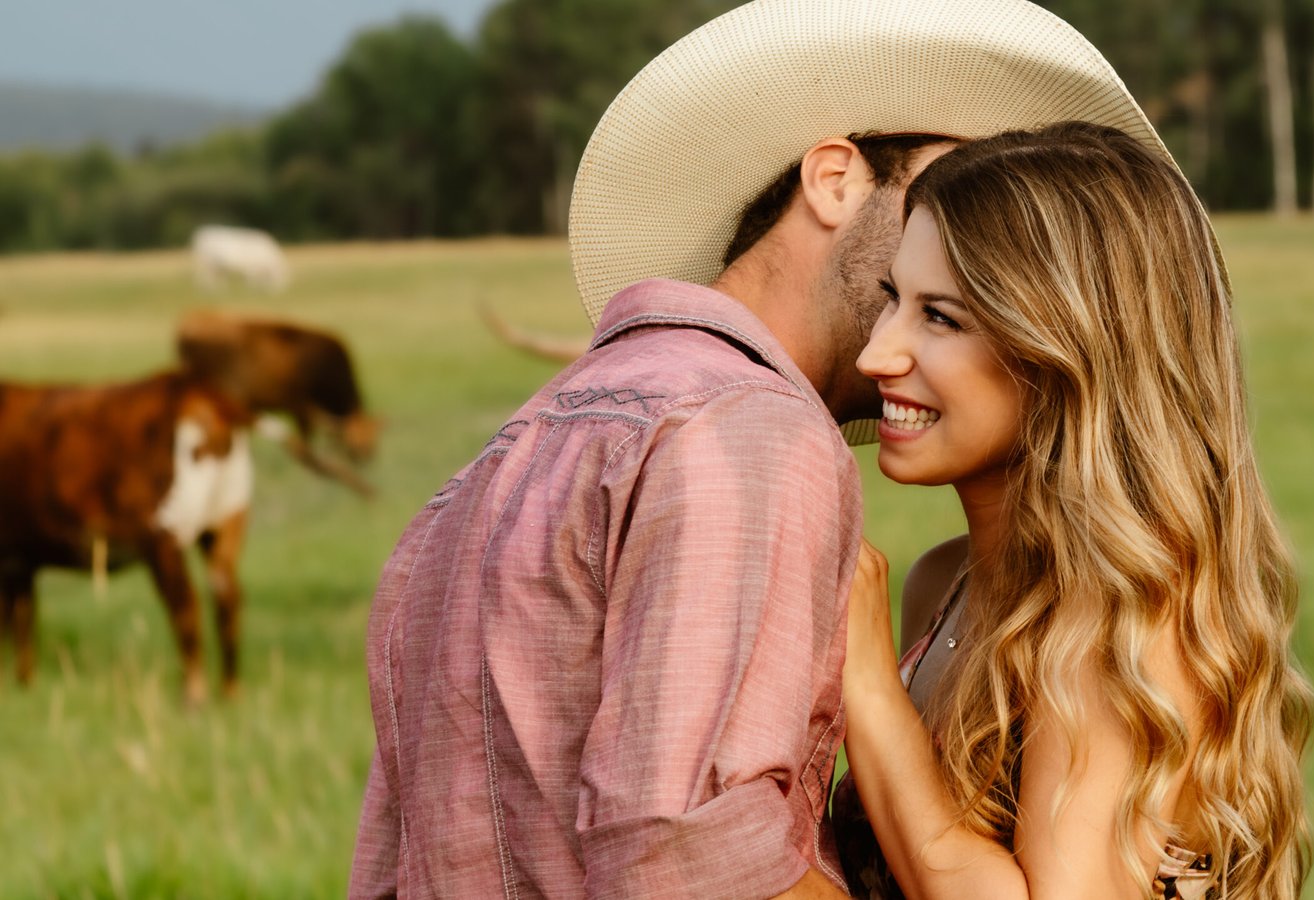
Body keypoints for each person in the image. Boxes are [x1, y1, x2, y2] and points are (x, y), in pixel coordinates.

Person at [349, 1, 1178, 896]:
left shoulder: (522, 441)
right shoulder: (748, 430)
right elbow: (691, 853)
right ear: (833, 178)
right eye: (964, 178)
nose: (981, 217)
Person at [836, 121, 1314, 900]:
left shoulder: (1124, 623)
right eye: (894, 298)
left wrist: (868, 684)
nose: (876, 354)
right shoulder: (943, 582)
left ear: (1068, 353)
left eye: (942, 318)